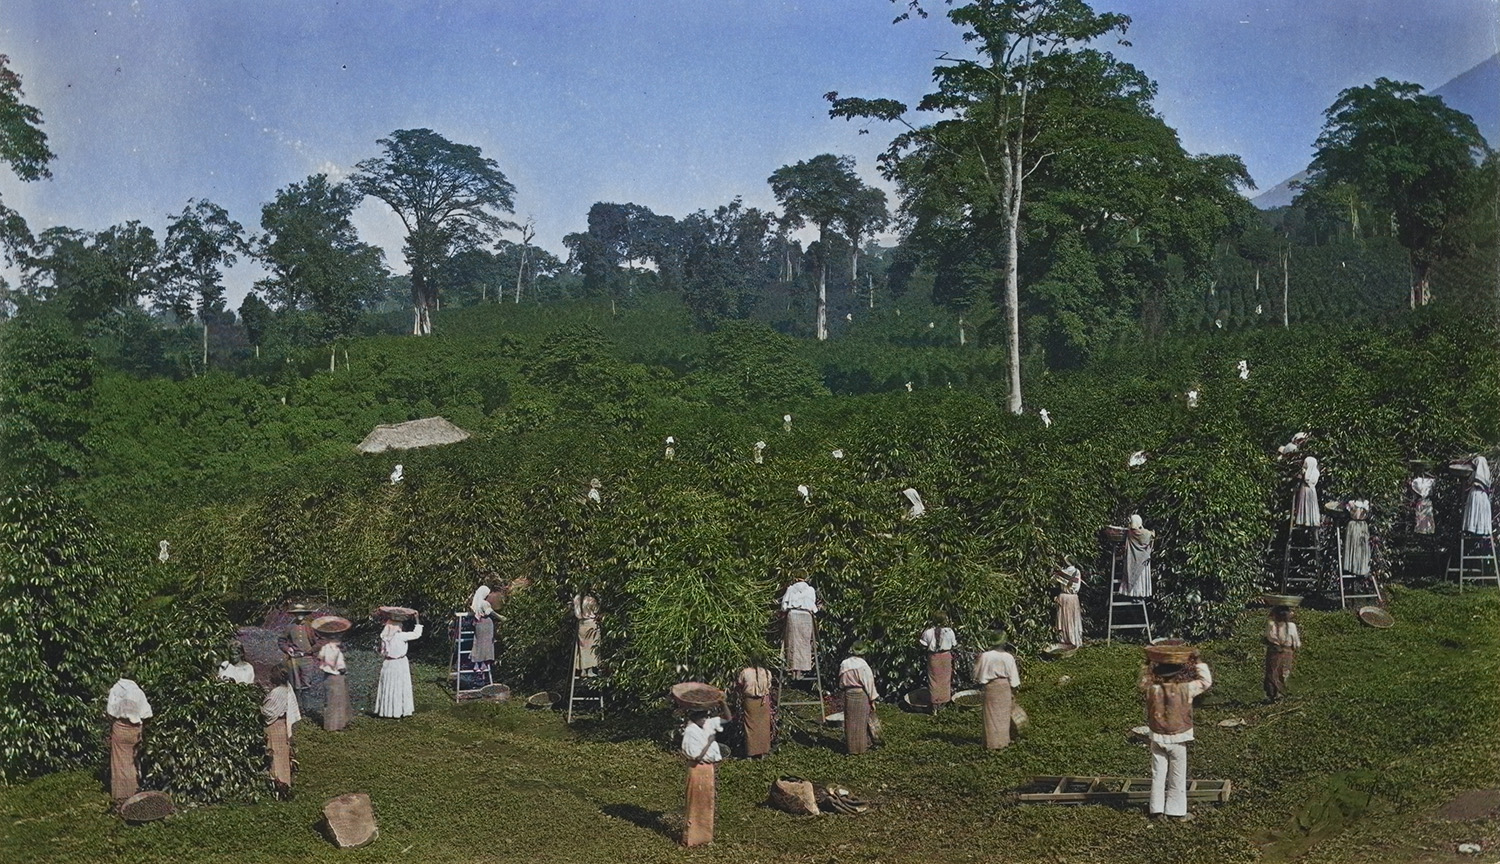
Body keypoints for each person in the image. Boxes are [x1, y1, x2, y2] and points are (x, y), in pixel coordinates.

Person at [1139, 648, 1213, 822]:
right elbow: (1205, 681)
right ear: (1178, 673)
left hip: (1157, 737)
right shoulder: (1186, 689)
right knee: (1177, 775)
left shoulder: (1152, 689)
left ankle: (1156, 810)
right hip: (1178, 737)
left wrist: (1147, 663)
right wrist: (1198, 661)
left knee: (1158, 773)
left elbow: (1142, 681)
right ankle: (1176, 811)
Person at [681, 702, 732, 847]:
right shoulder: (690, 732)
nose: (705, 719)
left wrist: (723, 703)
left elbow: (728, 719)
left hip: (708, 769)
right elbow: (696, 756)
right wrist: (708, 743)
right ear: (695, 717)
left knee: (707, 803)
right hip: (697, 769)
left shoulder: (706, 726)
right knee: (695, 804)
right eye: (703, 717)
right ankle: (691, 838)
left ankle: (704, 837)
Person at [105, 678, 152, 802]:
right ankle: (134, 792)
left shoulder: (116, 689)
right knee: (132, 761)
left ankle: (120, 794)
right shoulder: (138, 692)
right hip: (134, 730)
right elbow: (147, 713)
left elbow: (110, 711)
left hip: (120, 728)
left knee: (119, 762)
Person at [374, 610, 423, 718]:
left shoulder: (385, 637)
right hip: (399, 664)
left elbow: (382, 652)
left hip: (388, 664)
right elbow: (417, 634)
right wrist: (417, 619)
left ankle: (387, 711)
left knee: (388, 686)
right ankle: (398, 710)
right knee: (399, 686)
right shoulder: (400, 636)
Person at [973, 636, 1020, 750]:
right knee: (1003, 716)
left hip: (991, 687)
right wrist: (1013, 689)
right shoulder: (1008, 657)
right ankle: (1003, 742)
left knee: (990, 716)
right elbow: (1014, 678)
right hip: (1004, 687)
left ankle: (991, 743)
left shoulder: (985, 656)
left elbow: (977, 674)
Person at [261, 666, 301, 791]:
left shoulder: (277, 692)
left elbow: (268, 712)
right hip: (282, 725)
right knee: (282, 754)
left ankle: (278, 784)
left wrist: (258, 707)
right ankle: (285, 782)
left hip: (275, 726)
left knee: (275, 753)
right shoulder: (287, 689)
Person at [838, 643, 881, 755]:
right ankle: (861, 748)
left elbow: (841, 682)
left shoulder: (844, 664)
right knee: (862, 722)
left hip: (849, 694)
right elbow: (869, 684)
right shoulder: (863, 666)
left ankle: (851, 748)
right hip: (861, 694)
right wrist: (872, 699)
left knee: (850, 721)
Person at [779, 575, 819, 679]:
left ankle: (793, 670)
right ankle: (800, 671)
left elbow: (783, 606)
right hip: (806, 616)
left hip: (793, 615)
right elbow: (812, 605)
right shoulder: (810, 590)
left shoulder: (791, 589)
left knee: (792, 642)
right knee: (805, 643)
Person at [1263, 602, 1302, 702]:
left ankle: (1273, 694)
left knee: (1272, 672)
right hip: (1287, 652)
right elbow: (1297, 643)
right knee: (1284, 672)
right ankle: (1281, 693)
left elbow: (1268, 637)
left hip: (1274, 651)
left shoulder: (1271, 625)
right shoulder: (1292, 626)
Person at [918, 613, 957, 713]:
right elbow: (954, 644)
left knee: (934, 680)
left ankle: (935, 706)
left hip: (934, 657)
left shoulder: (928, 632)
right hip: (945, 657)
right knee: (945, 680)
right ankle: (943, 703)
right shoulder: (949, 631)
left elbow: (923, 644)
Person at [736, 657, 773, 758]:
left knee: (750, 726)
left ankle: (751, 753)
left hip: (750, 701)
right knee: (763, 726)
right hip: (763, 702)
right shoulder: (767, 672)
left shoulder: (745, 672)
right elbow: (769, 686)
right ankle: (763, 752)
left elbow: (739, 684)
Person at [280, 605, 318, 691]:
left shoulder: (311, 626)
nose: (300, 615)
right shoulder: (290, 627)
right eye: (297, 613)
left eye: (302, 613)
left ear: (305, 614)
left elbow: (320, 641)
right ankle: (296, 703)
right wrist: (287, 649)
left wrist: (312, 650)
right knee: (295, 686)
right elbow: (281, 641)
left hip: (307, 659)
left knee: (307, 683)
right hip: (294, 659)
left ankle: (306, 703)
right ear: (294, 614)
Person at [318, 636, 351, 731]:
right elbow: (330, 661)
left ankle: (340, 724)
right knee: (332, 702)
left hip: (337, 676)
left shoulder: (335, 649)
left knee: (340, 701)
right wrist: (340, 668)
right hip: (333, 676)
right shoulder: (328, 649)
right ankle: (331, 726)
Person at [1331, 499, 1373, 576]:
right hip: (1353, 526)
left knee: (1362, 547)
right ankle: (1351, 566)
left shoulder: (1366, 502)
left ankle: (1361, 567)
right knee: (1353, 545)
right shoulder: (1352, 503)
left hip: (1362, 526)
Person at [1119, 515, 1154, 598]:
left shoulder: (1130, 532)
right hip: (1142, 559)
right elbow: (1150, 536)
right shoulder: (1144, 533)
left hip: (1132, 558)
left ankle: (1131, 594)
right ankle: (1140, 595)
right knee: (1140, 578)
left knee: (1133, 575)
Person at [1053, 563, 1084, 647]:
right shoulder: (1077, 572)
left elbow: (1052, 581)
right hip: (1073, 597)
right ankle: (1073, 639)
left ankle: (1063, 639)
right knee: (1073, 618)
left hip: (1063, 596)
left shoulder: (1061, 572)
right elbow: (1077, 587)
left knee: (1063, 618)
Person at [571, 592, 601, 677]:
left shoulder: (577, 598)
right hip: (591, 623)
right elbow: (596, 610)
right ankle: (590, 670)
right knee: (592, 647)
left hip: (582, 624)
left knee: (583, 648)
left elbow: (577, 613)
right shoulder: (591, 599)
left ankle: (583, 670)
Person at [1462, 456, 1493, 536]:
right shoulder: (1484, 474)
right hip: (1481, 495)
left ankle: (1477, 528)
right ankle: (1475, 528)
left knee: (1477, 511)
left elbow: (1474, 482)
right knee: (1476, 511)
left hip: (1478, 495)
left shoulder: (1481, 474)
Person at [469, 585, 497, 676]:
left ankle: (477, 664)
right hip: (486, 624)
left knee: (477, 643)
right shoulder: (484, 603)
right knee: (487, 644)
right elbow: (490, 612)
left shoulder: (475, 603)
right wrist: (501, 617)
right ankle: (483, 664)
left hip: (478, 624)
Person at [1293, 457, 1322, 528]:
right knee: (1305, 504)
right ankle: (1305, 520)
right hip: (1309, 490)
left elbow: (1307, 479)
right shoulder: (1314, 472)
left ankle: (1308, 520)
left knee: (1308, 504)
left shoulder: (1313, 472)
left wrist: (1302, 475)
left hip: (1307, 489)